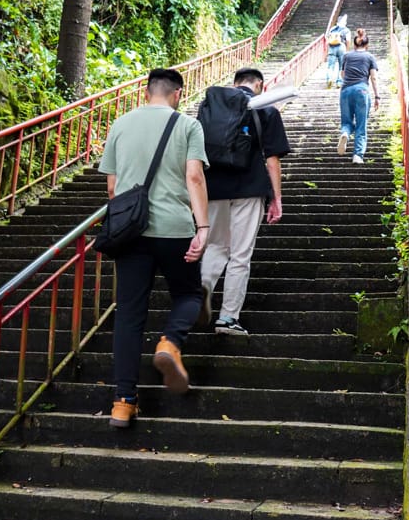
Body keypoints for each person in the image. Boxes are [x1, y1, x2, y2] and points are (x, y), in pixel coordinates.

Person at [97, 68, 210, 428]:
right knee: (190, 294)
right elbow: (194, 176)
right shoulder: (188, 125)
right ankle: (170, 344)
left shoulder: (121, 124)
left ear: (147, 92)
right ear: (178, 93)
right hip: (175, 229)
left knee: (129, 316)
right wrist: (203, 226)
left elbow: (113, 189)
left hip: (132, 233)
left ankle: (123, 402)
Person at [199, 68, 291, 336]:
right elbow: (272, 160)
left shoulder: (212, 107)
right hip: (250, 189)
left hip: (213, 187)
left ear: (235, 83)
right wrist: (276, 198)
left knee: (216, 245)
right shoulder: (267, 110)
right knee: (240, 254)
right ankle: (227, 318)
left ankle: (204, 284)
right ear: (259, 85)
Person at [337, 29, 380, 164]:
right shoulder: (369, 57)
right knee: (361, 124)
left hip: (345, 91)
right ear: (367, 45)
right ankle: (358, 155)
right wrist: (377, 96)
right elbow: (373, 77)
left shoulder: (347, 56)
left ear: (354, 45)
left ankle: (345, 133)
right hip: (362, 90)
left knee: (346, 121)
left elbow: (343, 74)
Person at [325, 15, 350, 88]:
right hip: (342, 47)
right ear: (345, 22)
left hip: (332, 47)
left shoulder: (332, 29)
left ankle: (329, 79)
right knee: (341, 66)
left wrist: (327, 49)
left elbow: (328, 39)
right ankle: (339, 82)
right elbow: (348, 41)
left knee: (330, 65)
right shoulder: (347, 30)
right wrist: (347, 50)